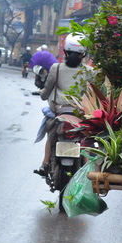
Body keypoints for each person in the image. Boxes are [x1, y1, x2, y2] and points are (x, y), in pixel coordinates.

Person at [35, 34, 89, 176]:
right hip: (80, 113)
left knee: (50, 132)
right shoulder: (90, 72)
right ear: (83, 54)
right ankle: (88, 167)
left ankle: (45, 162)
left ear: (65, 51)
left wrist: (42, 94)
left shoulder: (56, 68)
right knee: (85, 139)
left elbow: (46, 92)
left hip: (59, 112)